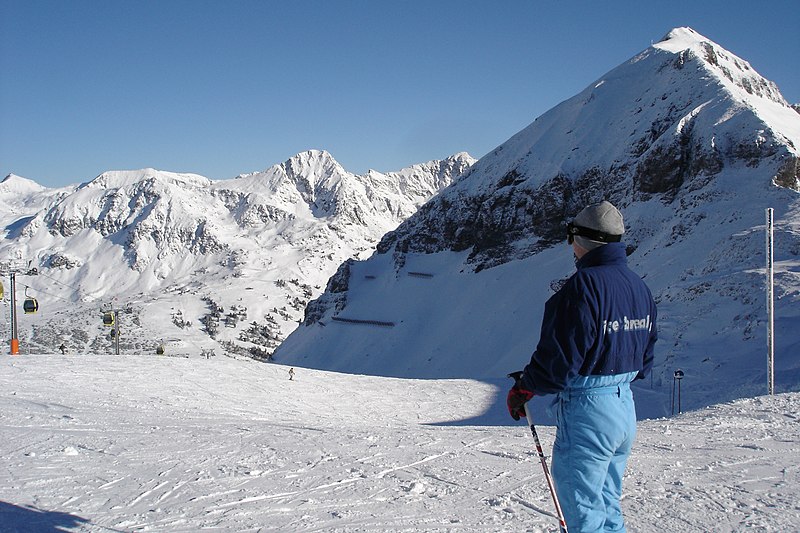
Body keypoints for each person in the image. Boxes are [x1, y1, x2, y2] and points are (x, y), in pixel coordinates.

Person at [507, 200, 657, 533]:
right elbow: (646, 354)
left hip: (589, 411)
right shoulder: (639, 287)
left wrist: (524, 388)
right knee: (606, 503)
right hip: (623, 407)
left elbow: (558, 358)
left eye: (570, 236)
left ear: (582, 239)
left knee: (582, 514)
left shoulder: (581, 289)